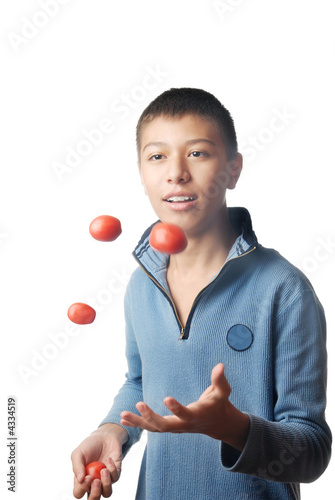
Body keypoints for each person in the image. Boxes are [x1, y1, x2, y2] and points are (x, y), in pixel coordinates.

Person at [71, 88, 332, 499]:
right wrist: (113, 430)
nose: (176, 172)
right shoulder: (143, 284)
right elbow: (142, 382)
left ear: (233, 170)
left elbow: (313, 450)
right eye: (157, 156)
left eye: (198, 153)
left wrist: (233, 427)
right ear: (141, 174)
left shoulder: (284, 289)